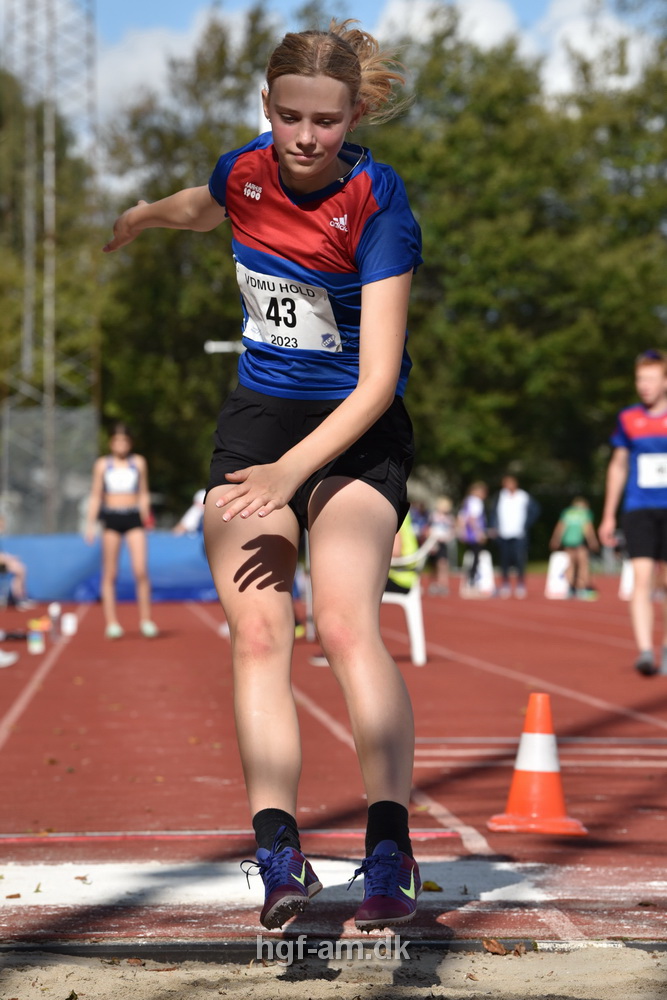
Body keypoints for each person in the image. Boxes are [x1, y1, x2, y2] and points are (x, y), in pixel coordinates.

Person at [103, 20, 422, 933]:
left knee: (346, 620)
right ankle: (279, 852)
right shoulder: (245, 171)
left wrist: (289, 475)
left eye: (326, 120)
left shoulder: (377, 202)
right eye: (289, 117)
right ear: (266, 108)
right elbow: (199, 206)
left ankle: (389, 848)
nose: (307, 138)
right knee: (255, 633)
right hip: (256, 424)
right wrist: (139, 218)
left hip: (352, 434)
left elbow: (375, 385)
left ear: (354, 113)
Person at [599, 349, 667, 676]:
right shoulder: (628, 418)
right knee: (642, 578)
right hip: (639, 508)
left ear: (665, 381)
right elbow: (619, 465)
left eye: (651, 379)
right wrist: (608, 514)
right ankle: (644, 650)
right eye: (640, 379)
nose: (645, 385)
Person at [84, 423, 159, 639]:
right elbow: (96, 495)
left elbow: (143, 492)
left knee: (140, 570)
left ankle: (146, 619)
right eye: (117, 440)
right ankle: (112, 623)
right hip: (112, 519)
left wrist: (147, 517)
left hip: (133, 517)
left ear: (130, 443)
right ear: (110, 443)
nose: (121, 445)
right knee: (110, 573)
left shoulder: (138, 462)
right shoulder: (102, 464)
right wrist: (90, 525)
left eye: (125, 441)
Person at [488, 474, 540, 599]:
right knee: (504, 560)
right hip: (503, 533)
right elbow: (493, 513)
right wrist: (494, 527)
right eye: (505, 483)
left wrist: (527, 524)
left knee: (519, 560)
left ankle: (520, 584)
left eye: (510, 483)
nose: (508, 486)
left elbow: (535, 510)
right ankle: (505, 584)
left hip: (519, 533)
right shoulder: (499, 496)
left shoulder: (523, 496)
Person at [550, 497, 600, 599]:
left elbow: (560, 527)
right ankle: (583, 588)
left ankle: (571, 588)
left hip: (568, 542)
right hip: (579, 542)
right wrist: (593, 541)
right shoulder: (585, 513)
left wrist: (555, 539)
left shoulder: (567, 513)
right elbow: (588, 529)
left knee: (570, 565)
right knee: (583, 565)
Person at [457, 482, 488, 595]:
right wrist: (479, 533)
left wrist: (462, 531)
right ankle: (472, 582)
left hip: (469, 534)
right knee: (475, 558)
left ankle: (469, 582)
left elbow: (461, 517)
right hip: (474, 535)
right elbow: (472, 519)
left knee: (471, 558)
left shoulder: (467, 501)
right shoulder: (476, 501)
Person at [426, 496, 455, 595]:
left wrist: (448, 537)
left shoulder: (449, 518)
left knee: (443, 564)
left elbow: (451, 531)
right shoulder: (433, 516)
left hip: (442, 543)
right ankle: (434, 584)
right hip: (433, 543)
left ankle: (443, 585)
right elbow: (428, 529)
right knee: (433, 565)